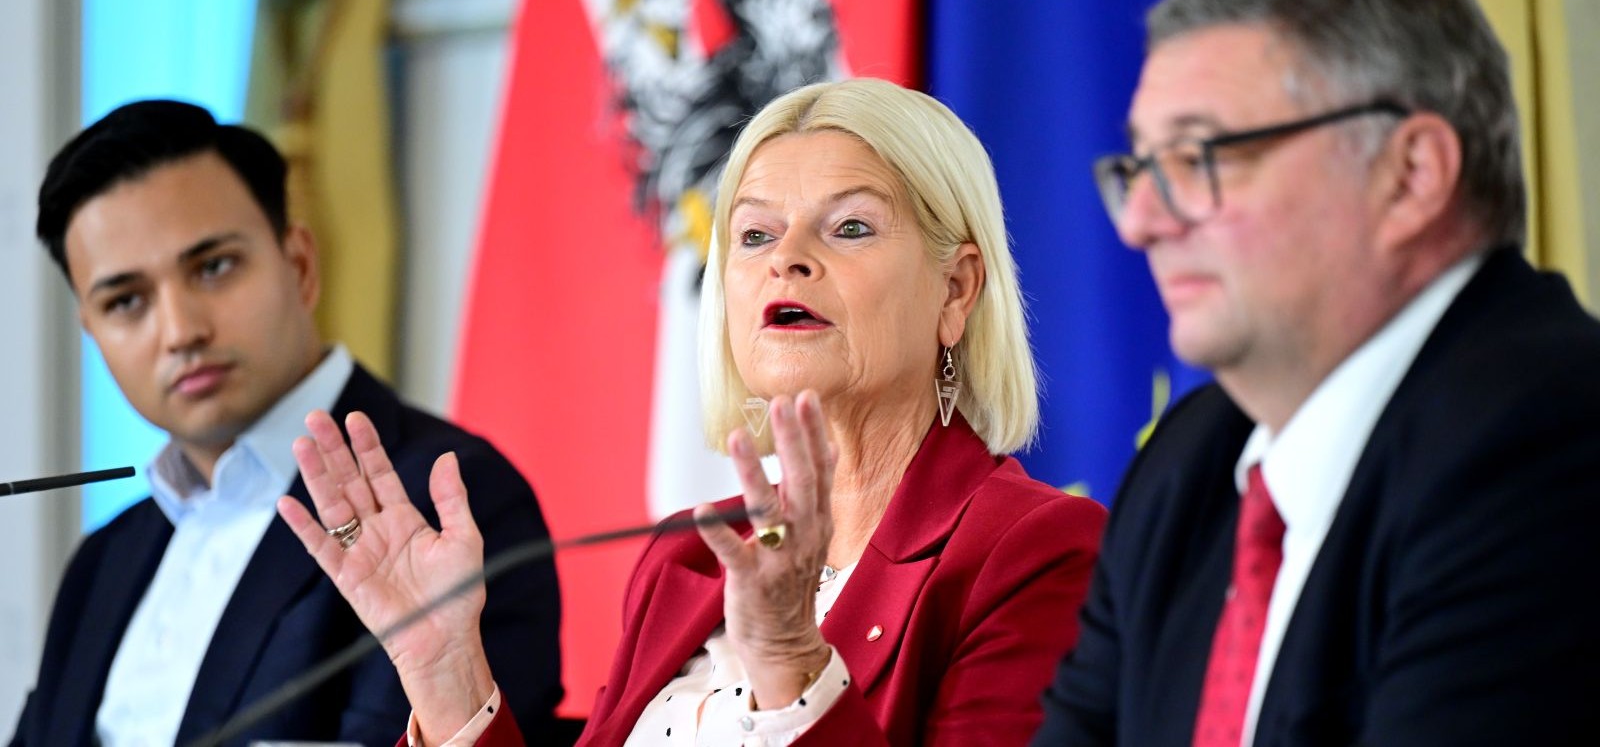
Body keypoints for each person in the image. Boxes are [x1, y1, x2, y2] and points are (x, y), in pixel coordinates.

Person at [278, 77, 1108, 745]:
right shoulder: (692, 556)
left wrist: (790, 662)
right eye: (754, 236)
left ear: (956, 289)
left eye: (849, 227)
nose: (788, 259)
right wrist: (447, 672)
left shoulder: (1032, 552)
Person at [1033, 0, 1600, 747]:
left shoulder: (1550, 445)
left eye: (1197, 159)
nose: (1143, 223)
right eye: (1139, 168)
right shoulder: (1185, 468)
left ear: (1408, 176)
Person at [12, 100, 563, 746]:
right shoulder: (104, 558)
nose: (181, 331)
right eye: (126, 301)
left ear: (299, 265)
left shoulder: (449, 503)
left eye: (213, 267)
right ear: (92, 331)